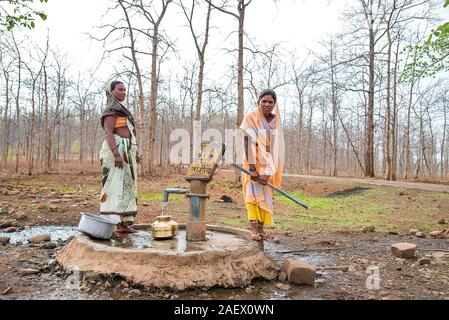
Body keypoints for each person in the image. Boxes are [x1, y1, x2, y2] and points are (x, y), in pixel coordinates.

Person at [240, 89, 285, 241]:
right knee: (252, 197)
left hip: (269, 165)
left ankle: (261, 229)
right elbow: (246, 143)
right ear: (258, 102)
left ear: (274, 104)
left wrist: (268, 172)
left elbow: (275, 148)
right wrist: (252, 169)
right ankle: (253, 228)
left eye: (270, 102)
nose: (267, 104)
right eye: (263, 101)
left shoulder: (275, 121)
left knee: (266, 197)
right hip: (251, 163)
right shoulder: (250, 118)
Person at [99, 81, 142, 235]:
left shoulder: (123, 111)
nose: (123, 92)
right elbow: (109, 133)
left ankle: (124, 224)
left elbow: (130, 133)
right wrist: (116, 154)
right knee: (115, 186)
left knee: (128, 186)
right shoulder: (111, 110)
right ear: (112, 92)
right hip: (115, 152)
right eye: (120, 90)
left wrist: (135, 153)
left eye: (125, 90)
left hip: (128, 152)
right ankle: (113, 223)